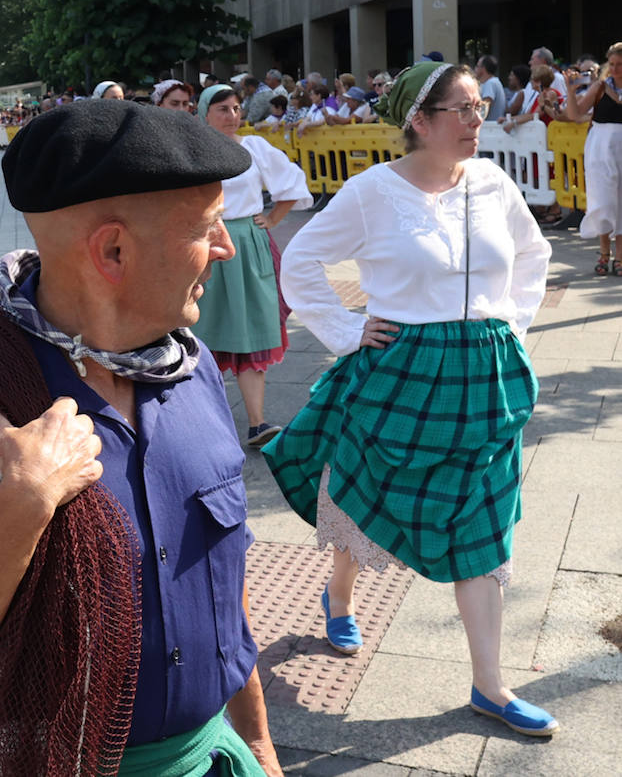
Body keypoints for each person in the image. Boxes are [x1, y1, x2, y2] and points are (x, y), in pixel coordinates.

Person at [0, 100, 281, 776]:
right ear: (113, 251)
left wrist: (257, 744)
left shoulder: (190, 370)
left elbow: (226, 594)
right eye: (207, 228)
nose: (226, 248)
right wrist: (23, 504)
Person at [264, 62, 557, 738]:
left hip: (486, 380)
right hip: (403, 371)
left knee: (484, 524)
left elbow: (533, 254)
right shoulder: (371, 191)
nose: (478, 120)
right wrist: (347, 331)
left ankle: (490, 685)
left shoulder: (492, 181)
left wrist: (510, 328)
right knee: (366, 496)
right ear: (419, 121)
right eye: (463, 109)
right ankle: (340, 596)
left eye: (481, 107)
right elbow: (302, 260)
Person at [192, 85, 312, 446]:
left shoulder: (254, 148)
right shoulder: (194, 149)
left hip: (247, 242)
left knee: (251, 329)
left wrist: (273, 218)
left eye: (235, 108)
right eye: (223, 109)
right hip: (206, 244)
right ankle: (202, 422)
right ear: (205, 113)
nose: (232, 115)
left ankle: (257, 423)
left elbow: (292, 183)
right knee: (203, 329)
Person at [567, 42, 622, 276]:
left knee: (620, 201)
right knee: (602, 199)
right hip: (600, 148)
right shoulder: (601, 87)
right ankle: (604, 252)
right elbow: (575, 114)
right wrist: (571, 91)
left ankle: (620, 256)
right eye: (612, 64)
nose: (615, 69)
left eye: (620, 64)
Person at [476, 55, 507, 121]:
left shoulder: (490, 83)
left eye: (477, 66)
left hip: (490, 126)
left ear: (483, 68)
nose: (475, 68)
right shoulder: (491, 82)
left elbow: (484, 110)